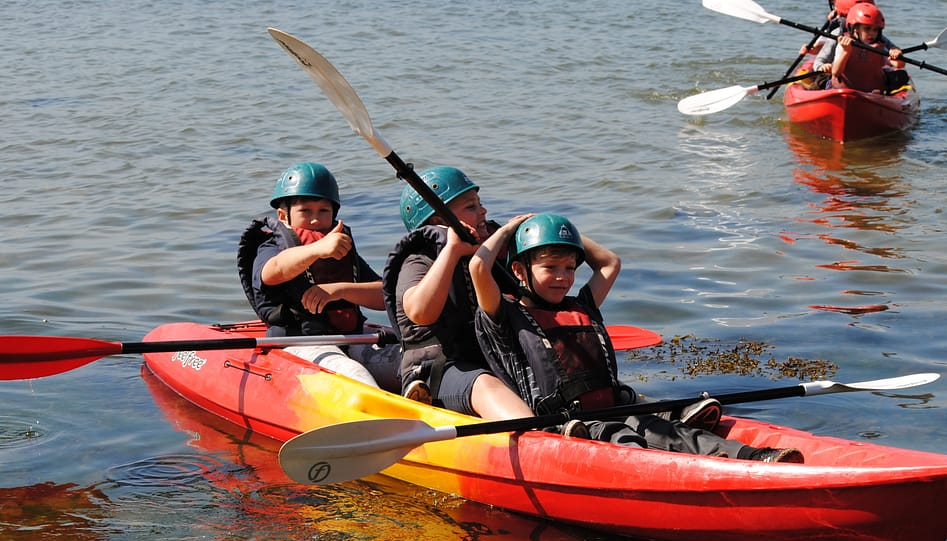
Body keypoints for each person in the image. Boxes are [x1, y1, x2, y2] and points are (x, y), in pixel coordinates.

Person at [469, 212, 804, 462]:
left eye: (570, 268)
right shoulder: (506, 315)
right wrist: (512, 229)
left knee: (673, 434)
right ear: (518, 271)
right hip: (567, 424)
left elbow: (610, 263)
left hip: (613, 408)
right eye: (550, 267)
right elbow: (478, 268)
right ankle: (656, 471)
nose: (562, 277)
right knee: (624, 438)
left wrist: (564, 232)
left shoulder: (582, 305)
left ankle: (753, 458)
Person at [382, 166, 535, 419]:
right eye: (470, 207)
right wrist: (452, 250)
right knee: (485, 385)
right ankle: (535, 440)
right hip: (437, 369)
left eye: (479, 203)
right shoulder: (420, 258)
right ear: (439, 221)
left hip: (486, 359)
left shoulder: (488, 254)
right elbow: (419, 312)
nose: (483, 211)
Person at [240, 162, 398, 389]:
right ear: (283, 215)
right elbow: (271, 273)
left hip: (351, 338)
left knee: (411, 360)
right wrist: (317, 249)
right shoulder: (272, 246)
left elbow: (385, 297)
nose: (315, 219)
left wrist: (340, 290)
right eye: (305, 211)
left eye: (323, 211)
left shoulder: (340, 247)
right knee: (353, 373)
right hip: (298, 343)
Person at [818, 3, 907, 94]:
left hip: (872, 91)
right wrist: (846, 52)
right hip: (844, 89)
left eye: (875, 30)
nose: (872, 33)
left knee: (901, 76)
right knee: (822, 81)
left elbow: (899, 65)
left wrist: (896, 55)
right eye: (867, 29)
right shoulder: (845, 44)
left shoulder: (879, 46)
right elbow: (836, 72)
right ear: (855, 29)